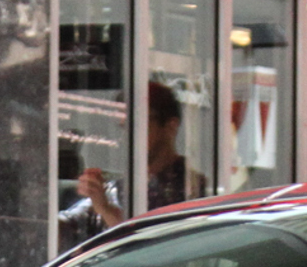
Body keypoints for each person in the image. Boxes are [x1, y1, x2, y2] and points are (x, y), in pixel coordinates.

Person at [69, 80, 207, 234]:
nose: (127, 137)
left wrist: (107, 211)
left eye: (137, 126)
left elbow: (160, 249)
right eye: (124, 127)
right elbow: (69, 221)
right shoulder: (120, 188)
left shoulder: (192, 190)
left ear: (170, 126)